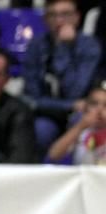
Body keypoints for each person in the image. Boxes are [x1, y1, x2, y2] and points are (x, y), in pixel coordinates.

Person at [22, 0, 102, 152]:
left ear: (77, 17)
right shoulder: (35, 46)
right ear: (45, 19)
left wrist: (63, 49)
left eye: (65, 14)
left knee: (84, 124)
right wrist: (69, 105)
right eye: (53, 15)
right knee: (39, 130)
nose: (59, 21)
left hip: (81, 112)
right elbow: (31, 97)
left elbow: (74, 91)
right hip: (45, 113)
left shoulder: (89, 46)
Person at [47, 80, 106, 164]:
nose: (99, 110)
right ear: (85, 108)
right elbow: (54, 155)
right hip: (82, 176)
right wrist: (80, 126)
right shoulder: (80, 133)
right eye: (94, 104)